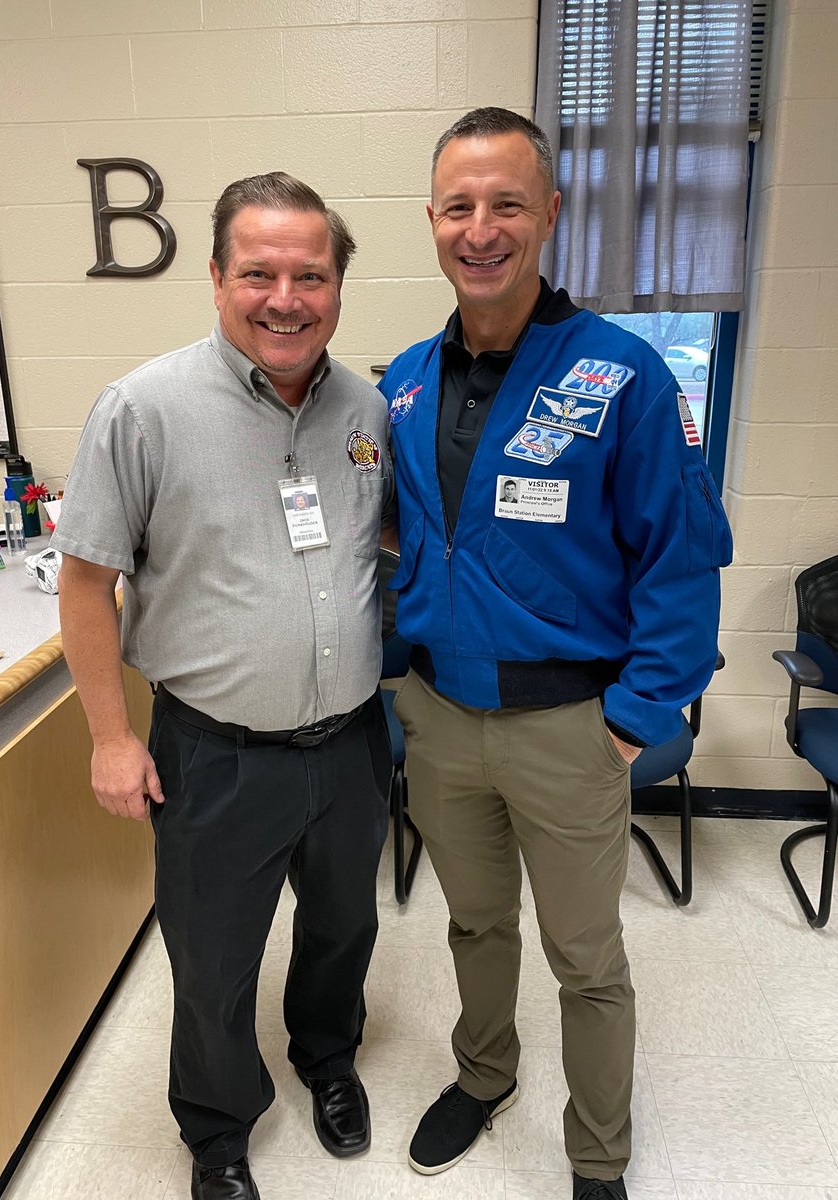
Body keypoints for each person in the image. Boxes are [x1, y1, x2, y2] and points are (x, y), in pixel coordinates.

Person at [379, 108, 731, 1200]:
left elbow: (681, 564)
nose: (481, 228)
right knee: (475, 922)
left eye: (508, 203)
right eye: (459, 206)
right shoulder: (400, 381)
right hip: (439, 721)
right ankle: (485, 1077)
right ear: (432, 220)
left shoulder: (620, 378)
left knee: (588, 961)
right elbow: (403, 534)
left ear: (551, 215)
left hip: (570, 729)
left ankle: (597, 1157)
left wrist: (634, 719)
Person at [54, 172, 394, 1200]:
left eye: (310, 274)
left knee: (344, 931)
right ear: (215, 277)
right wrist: (112, 739)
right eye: (258, 272)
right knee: (211, 960)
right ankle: (215, 1127)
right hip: (214, 752)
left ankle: (325, 1060)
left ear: (337, 286)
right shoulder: (142, 410)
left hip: (351, 745)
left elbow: (374, 547)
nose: (285, 297)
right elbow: (83, 582)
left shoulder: (367, 406)